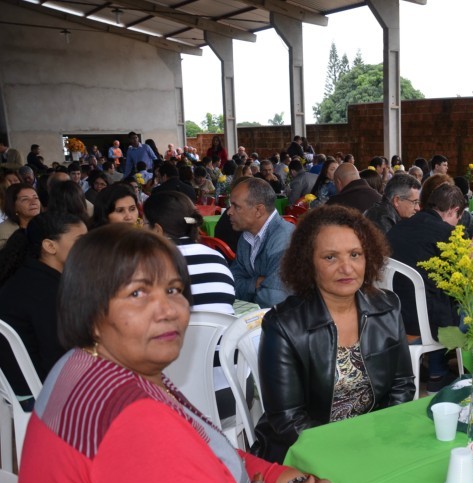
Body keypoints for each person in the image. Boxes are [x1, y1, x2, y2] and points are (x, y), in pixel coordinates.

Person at [18, 224, 416, 483]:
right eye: (138, 293)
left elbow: (205, 451)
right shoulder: (136, 422)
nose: (168, 309)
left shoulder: (81, 369)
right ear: (89, 307)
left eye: (174, 290)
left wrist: (287, 481)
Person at [253, 206, 416, 462]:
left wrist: (383, 438)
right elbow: (288, 421)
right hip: (308, 454)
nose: (346, 268)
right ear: (308, 263)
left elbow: (401, 385)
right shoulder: (283, 326)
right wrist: (349, 453)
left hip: (374, 442)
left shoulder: (386, 307)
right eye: (330, 257)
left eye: (355, 254)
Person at [387, 184, 473, 390]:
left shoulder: (397, 228)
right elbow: (464, 291)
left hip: (395, 318)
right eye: (459, 218)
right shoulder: (447, 235)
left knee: (438, 300)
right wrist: (471, 261)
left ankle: (438, 372)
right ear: (454, 211)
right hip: (430, 325)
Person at [0, 212, 87, 395]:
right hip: (41, 391)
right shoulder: (45, 291)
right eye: (80, 241)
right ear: (49, 246)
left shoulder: (31, 276)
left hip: (21, 387)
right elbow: (59, 356)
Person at [143, 191, 235, 314]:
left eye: (144, 223)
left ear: (157, 230)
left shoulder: (151, 262)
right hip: (223, 331)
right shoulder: (217, 258)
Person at [228, 177, 294, 307]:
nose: (229, 212)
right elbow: (230, 284)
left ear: (259, 210)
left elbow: (274, 299)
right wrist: (256, 283)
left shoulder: (285, 238)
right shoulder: (247, 236)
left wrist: (247, 286)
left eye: (236, 206)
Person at [0, 183, 41, 250]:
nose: (33, 202)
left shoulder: (47, 224)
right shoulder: (5, 233)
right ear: (13, 206)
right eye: (25, 199)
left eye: (36, 198)